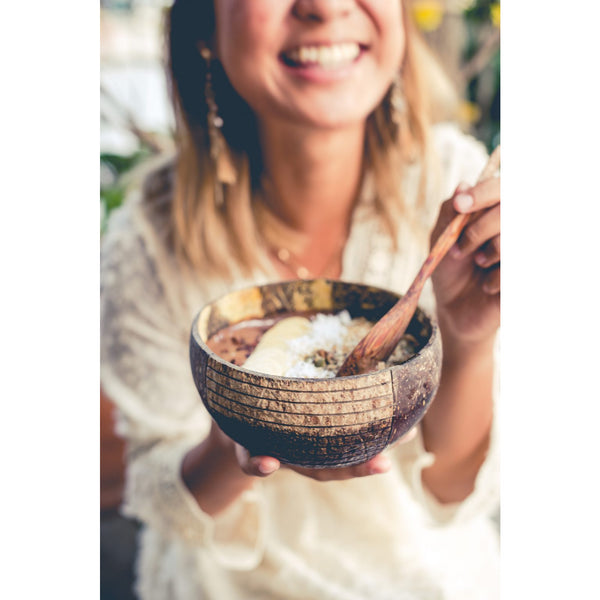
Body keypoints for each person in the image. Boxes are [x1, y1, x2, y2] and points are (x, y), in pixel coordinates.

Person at [100, 0, 501, 598]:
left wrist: (468, 342)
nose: (325, 6)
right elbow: (158, 496)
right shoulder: (150, 240)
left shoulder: (457, 190)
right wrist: (231, 439)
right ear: (205, 26)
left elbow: (450, 492)